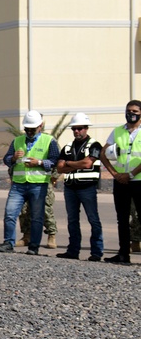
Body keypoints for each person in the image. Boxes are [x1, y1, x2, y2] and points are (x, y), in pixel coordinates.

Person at [0, 110, 58, 255]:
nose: (29, 131)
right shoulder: (17, 141)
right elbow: (6, 159)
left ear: (40, 126)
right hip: (19, 184)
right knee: (10, 213)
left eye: (32, 129)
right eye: (27, 129)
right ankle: (8, 243)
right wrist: (13, 158)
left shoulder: (49, 141)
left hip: (38, 184)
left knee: (37, 217)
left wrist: (40, 162)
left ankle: (34, 247)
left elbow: (55, 160)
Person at [55, 113, 103, 261]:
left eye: (79, 128)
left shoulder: (94, 145)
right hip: (70, 188)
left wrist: (69, 163)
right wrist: (75, 164)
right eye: (74, 129)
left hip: (87, 188)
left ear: (86, 128)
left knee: (93, 219)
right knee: (72, 220)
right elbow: (59, 168)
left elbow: (88, 163)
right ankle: (73, 251)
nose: (76, 131)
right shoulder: (68, 147)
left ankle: (96, 252)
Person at [99, 99, 141, 264]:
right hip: (121, 181)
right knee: (122, 219)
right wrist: (115, 174)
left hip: (138, 180)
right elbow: (103, 153)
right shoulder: (117, 131)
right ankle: (123, 254)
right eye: (128, 111)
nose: (130, 114)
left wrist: (130, 174)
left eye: (134, 112)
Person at [16, 178, 58, 248]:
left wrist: (53, 177)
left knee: (46, 210)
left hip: (43, 181)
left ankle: (51, 235)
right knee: (24, 210)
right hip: (24, 181)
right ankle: (27, 236)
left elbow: (55, 168)